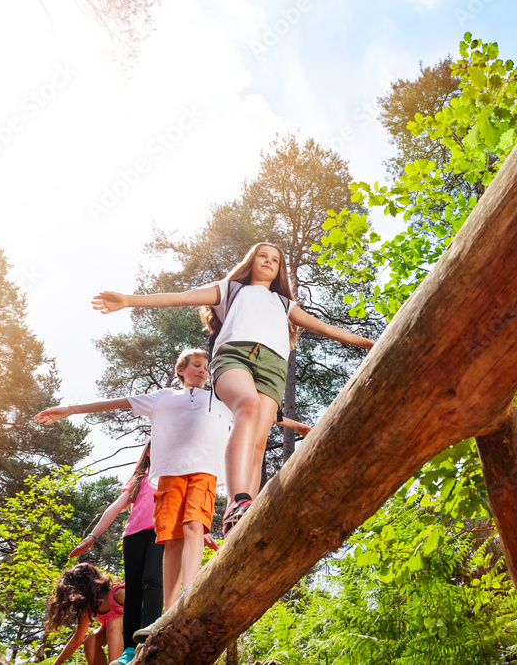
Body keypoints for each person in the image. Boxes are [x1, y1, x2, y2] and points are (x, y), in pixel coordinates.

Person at [91, 242, 372, 534]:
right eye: (262, 256)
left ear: (279, 270)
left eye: (274, 260)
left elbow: (325, 327)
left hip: (274, 366)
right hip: (235, 355)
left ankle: (242, 516)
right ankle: (238, 499)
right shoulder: (230, 290)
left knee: (259, 441)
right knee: (247, 407)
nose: (268, 261)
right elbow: (181, 297)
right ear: (251, 261)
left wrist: (370, 344)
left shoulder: (284, 304)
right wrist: (128, 299)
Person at [34, 349, 308, 630]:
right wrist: (70, 410)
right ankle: (170, 609)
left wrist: (296, 425)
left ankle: (190, 590)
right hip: (169, 475)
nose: (203, 371)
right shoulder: (162, 398)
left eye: (206, 368)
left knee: (194, 527)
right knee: (172, 538)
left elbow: (255, 412)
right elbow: (117, 403)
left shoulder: (218, 399)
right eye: (197, 366)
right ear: (181, 370)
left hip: (204, 472)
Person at [66, 441, 163, 665]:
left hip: (160, 531)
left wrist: (199, 530)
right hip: (133, 536)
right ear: (148, 451)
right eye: (157, 444)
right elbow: (115, 507)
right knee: (133, 592)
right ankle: (130, 649)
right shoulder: (139, 479)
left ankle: (150, 638)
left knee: (152, 579)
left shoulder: (173, 474)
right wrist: (92, 536)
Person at [44, 563, 124, 665]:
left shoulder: (117, 594)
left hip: (136, 625)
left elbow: (144, 605)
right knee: (91, 641)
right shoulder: (89, 607)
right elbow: (77, 639)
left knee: (113, 624)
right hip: (116, 630)